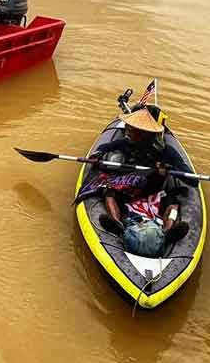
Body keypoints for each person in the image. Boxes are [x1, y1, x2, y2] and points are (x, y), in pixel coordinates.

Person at [78, 104, 190, 257]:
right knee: (108, 191)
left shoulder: (166, 151)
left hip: (154, 191)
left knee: (174, 202)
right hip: (129, 189)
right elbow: (107, 146)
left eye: (134, 129)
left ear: (146, 133)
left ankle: (167, 231)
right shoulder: (126, 143)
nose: (128, 131)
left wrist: (170, 169)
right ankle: (117, 224)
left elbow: (192, 180)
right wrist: (97, 154)